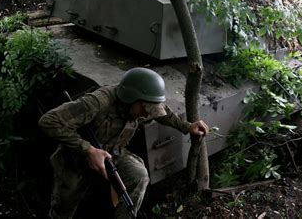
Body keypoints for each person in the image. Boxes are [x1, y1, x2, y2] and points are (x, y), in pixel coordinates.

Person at [38, 67, 209, 219]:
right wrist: (88, 149)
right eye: (144, 109)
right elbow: (49, 121)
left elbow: (162, 113)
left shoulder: (144, 106)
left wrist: (187, 127)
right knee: (63, 208)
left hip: (112, 153)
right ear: (131, 97)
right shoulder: (99, 101)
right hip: (74, 158)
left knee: (139, 176)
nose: (145, 115)